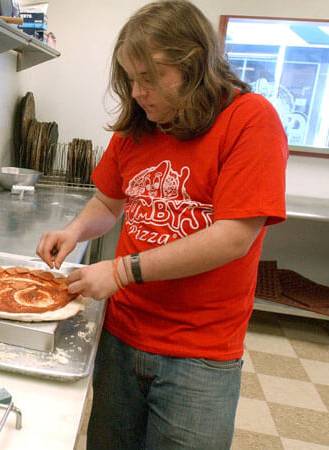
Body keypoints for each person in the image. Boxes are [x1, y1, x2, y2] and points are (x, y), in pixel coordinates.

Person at [35, 1, 288, 448]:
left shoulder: (249, 120)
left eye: (148, 79)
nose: (136, 92)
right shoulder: (140, 125)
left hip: (200, 353)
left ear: (193, 66)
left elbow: (233, 237)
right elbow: (108, 202)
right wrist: (74, 230)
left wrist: (120, 270)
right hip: (122, 335)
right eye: (130, 79)